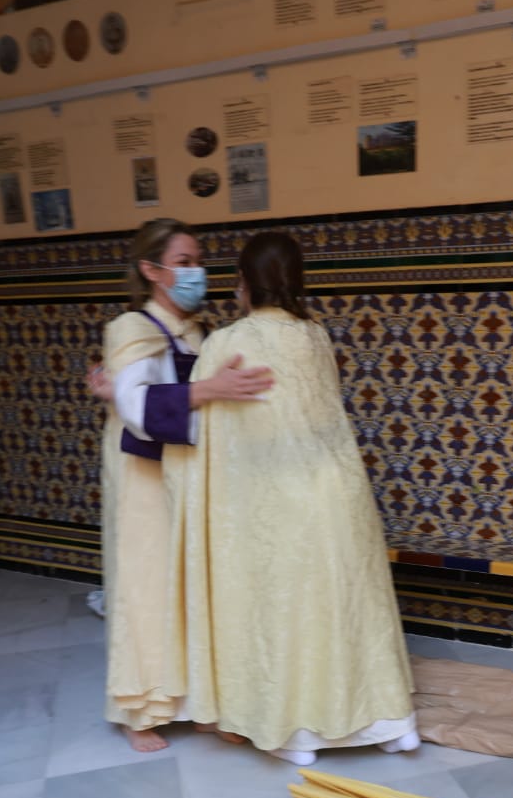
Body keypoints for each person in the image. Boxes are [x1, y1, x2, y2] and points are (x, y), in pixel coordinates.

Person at [167, 231, 418, 766]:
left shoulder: (225, 343)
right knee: (346, 610)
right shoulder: (317, 335)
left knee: (287, 614)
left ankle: (296, 732)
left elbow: (211, 439)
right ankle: (389, 722)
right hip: (338, 493)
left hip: (273, 503)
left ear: (243, 283)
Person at [96, 219, 272, 751]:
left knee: (195, 583)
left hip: (189, 472)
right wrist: (209, 388)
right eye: (186, 261)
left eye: (199, 260)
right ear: (152, 271)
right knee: (147, 587)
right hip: (143, 476)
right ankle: (142, 711)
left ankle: (199, 702)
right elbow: (135, 406)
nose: (198, 271)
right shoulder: (130, 329)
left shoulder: (199, 331)